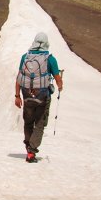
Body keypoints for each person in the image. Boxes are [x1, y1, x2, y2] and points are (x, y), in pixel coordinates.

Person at [14, 31, 64, 162]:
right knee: (40, 123)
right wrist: (60, 85)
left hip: (26, 95)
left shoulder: (25, 57)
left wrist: (17, 96)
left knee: (28, 122)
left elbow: (19, 78)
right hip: (42, 97)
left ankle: (28, 147)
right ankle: (31, 151)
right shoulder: (50, 59)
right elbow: (58, 79)